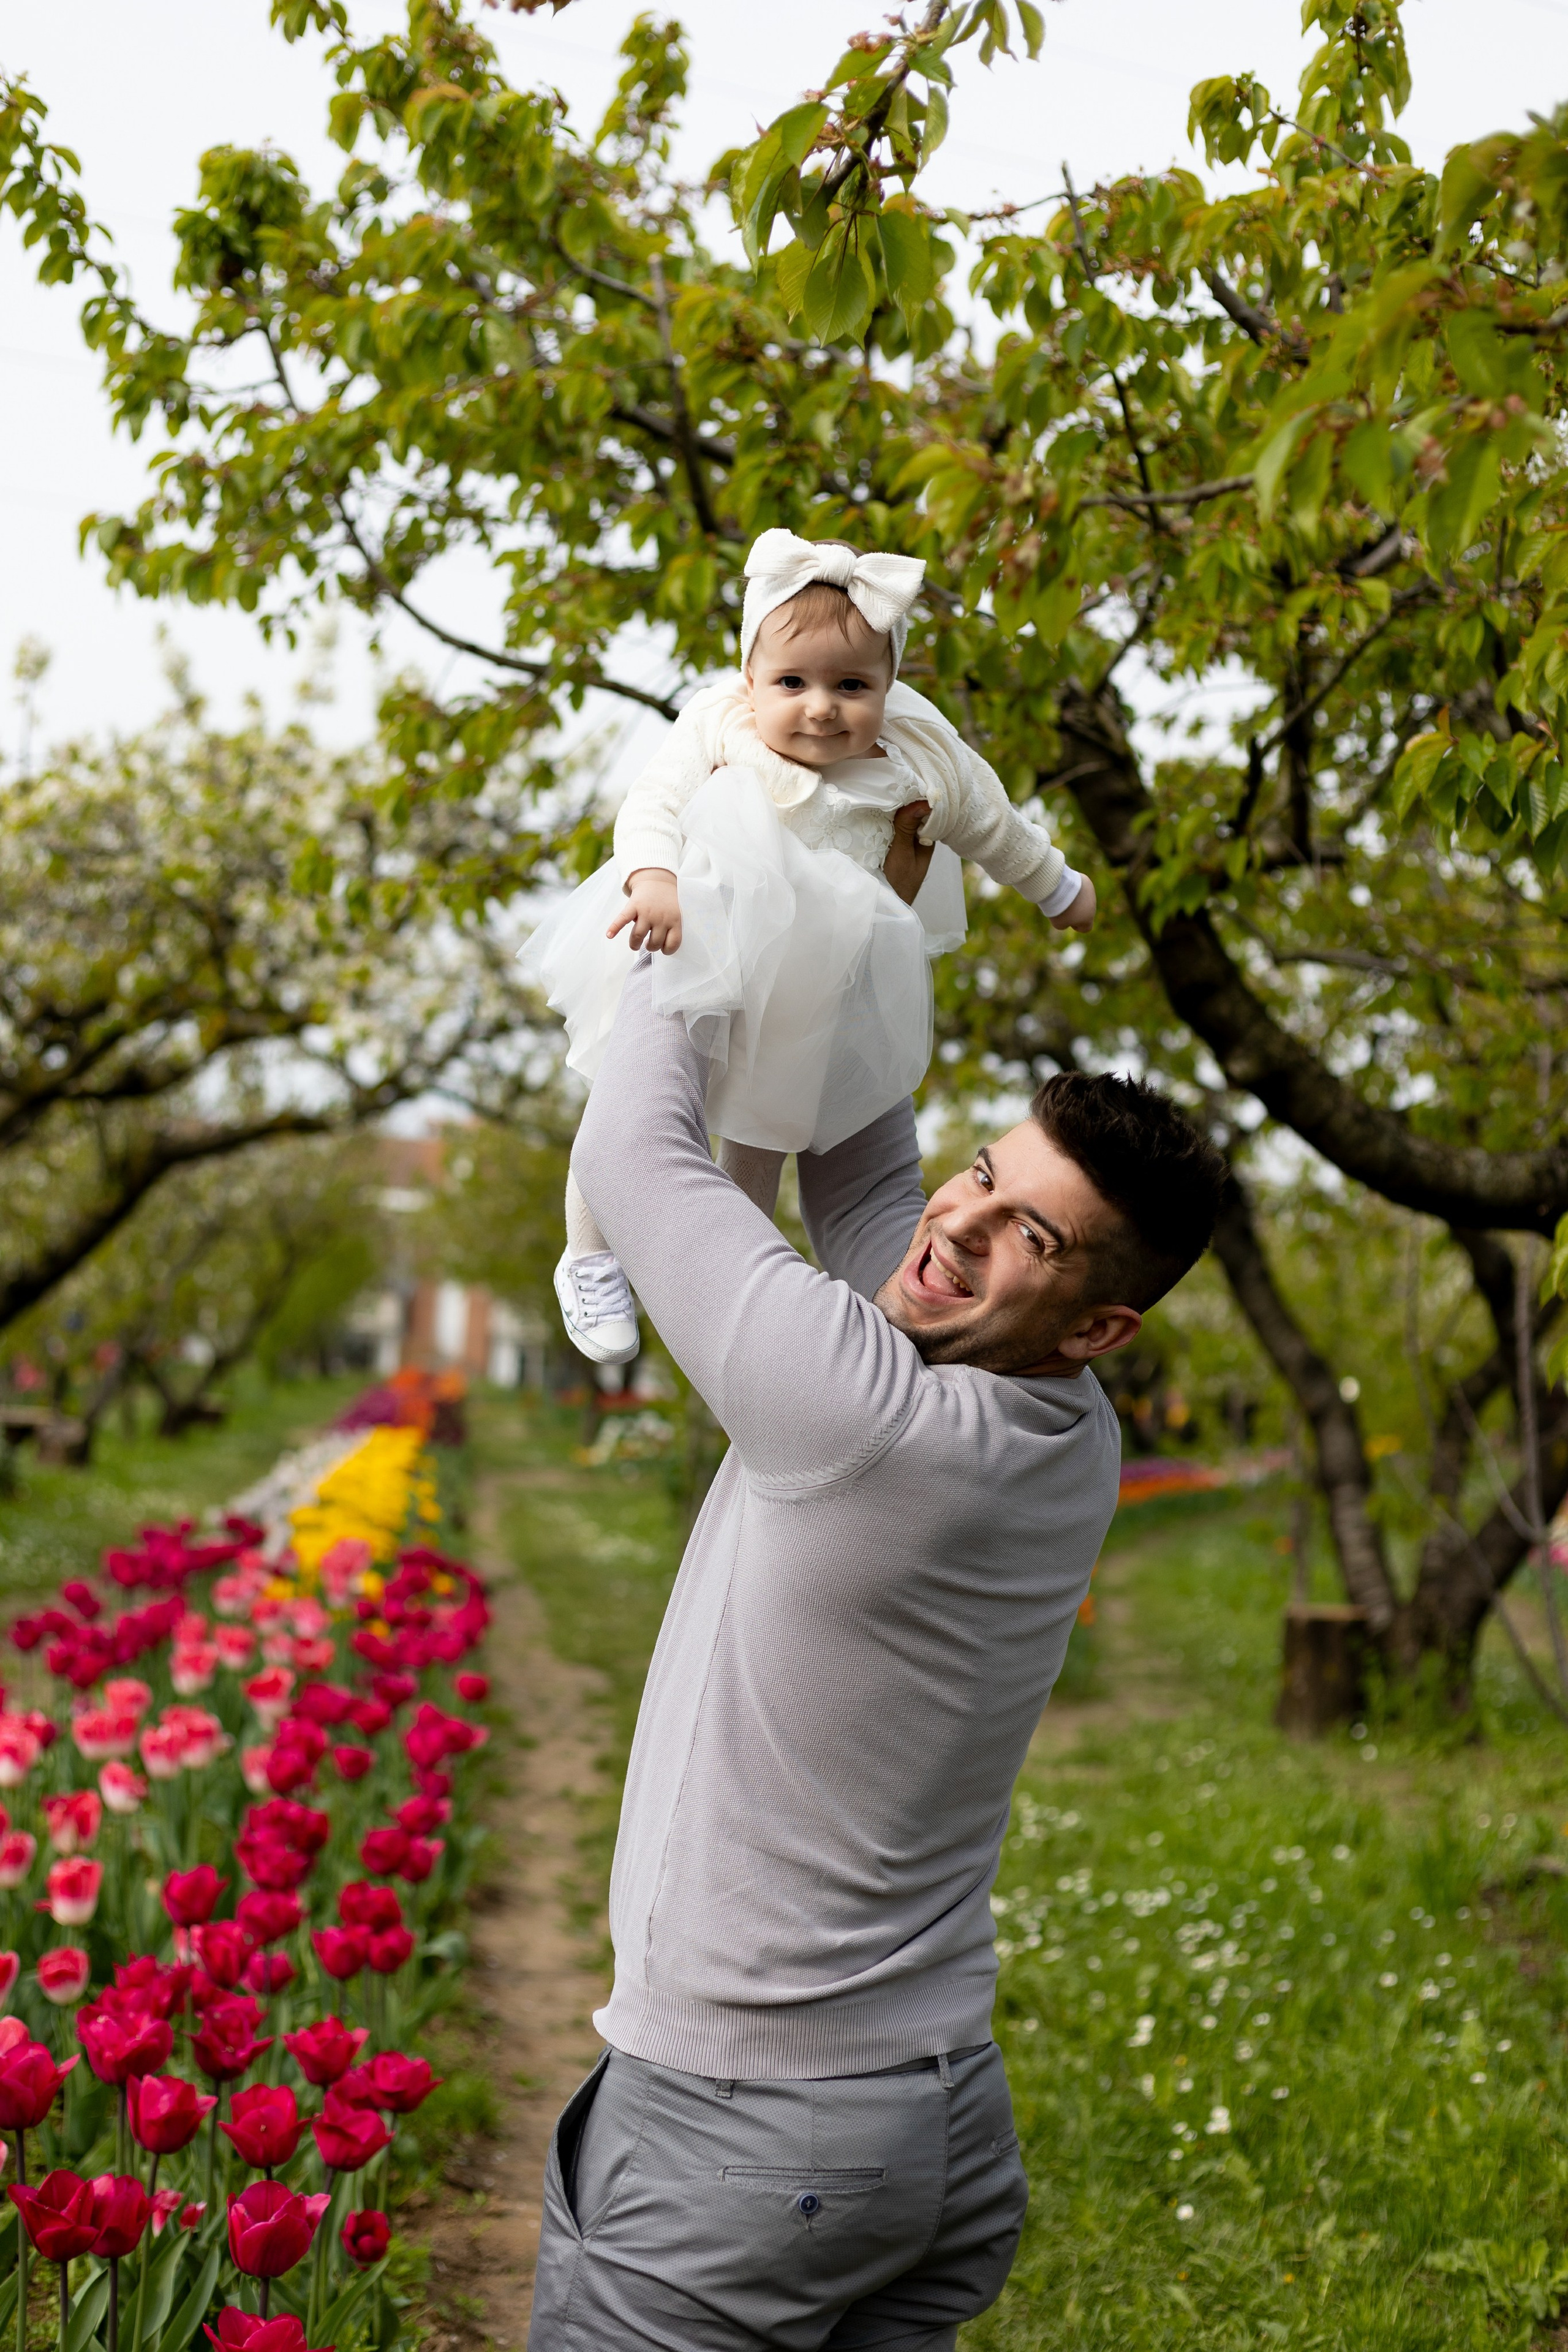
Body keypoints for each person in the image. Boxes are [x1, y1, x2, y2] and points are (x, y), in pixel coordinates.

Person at [526, 954, 1229, 2351]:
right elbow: (861, 1184)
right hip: (928, 2121)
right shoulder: (1061, 1427)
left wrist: (711, 879)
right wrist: (843, 898)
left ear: (1099, 1323)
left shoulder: (862, 1420)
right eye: (977, 1168)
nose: (958, 1221)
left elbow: (628, 1143)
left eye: (1030, 1233)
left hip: (743, 2135)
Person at [523, 528, 1096, 1367]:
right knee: (629, 1106)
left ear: (891, 687)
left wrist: (1057, 888)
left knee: (763, 1134)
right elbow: (652, 802)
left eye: (852, 685)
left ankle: (727, 1286)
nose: (821, 706)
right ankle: (590, 1256)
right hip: (698, 940)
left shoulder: (919, 759)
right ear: (749, 679)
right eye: (792, 682)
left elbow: (994, 826)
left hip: (813, 987)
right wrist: (653, 879)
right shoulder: (722, 726)